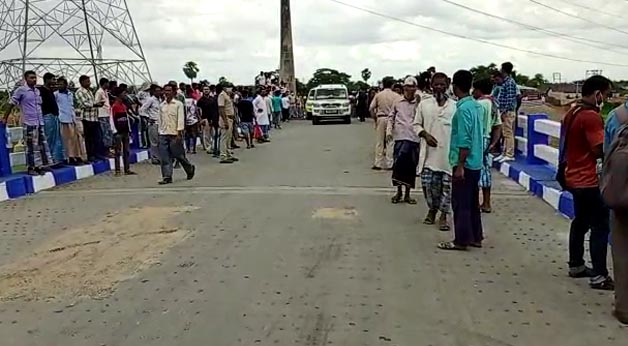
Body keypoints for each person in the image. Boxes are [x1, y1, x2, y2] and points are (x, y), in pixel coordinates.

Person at [561, 75, 614, 290]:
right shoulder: (591, 116)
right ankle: (600, 275)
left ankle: (576, 265)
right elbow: (598, 148)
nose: (607, 98)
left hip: (572, 176)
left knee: (581, 221)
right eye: (607, 94)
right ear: (598, 93)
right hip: (588, 179)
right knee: (600, 226)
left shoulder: (572, 111)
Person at [438, 70, 484, 251]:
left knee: (461, 203)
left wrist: (460, 166)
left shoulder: (462, 110)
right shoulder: (476, 106)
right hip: (477, 161)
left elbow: (464, 141)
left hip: (465, 162)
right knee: (472, 202)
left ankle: (461, 240)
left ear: (454, 86)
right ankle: (476, 236)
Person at [414, 72, 457, 231]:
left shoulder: (454, 106)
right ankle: (432, 209)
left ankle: (444, 216)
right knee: (428, 187)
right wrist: (425, 135)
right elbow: (416, 125)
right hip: (428, 157)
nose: (439, 87)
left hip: (448, 157)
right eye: (436, 84)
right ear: (431, 86)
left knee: (447, 188)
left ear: (448, 85)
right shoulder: (424, 105)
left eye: (442, 84)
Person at [603, 99, 628, 323]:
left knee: (621, 252)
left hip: (622, 197)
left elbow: (607, 155)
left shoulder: (616, 117)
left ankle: (624, 308)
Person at [2, 71, 52, 175]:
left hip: (39, 122)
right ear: (26, 79)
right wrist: (5, 117)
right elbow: (11, 103)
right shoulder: (21, 90)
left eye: (35, 78)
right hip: (29, 123)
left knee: (40, 146)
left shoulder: (37, 91)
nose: (34, 80)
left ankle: (40, 166)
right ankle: (31, 167)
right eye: (31, 78)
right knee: (30, 147)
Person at [387, 77, 420, 205]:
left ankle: (407, 194)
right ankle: (399, 192)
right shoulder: (397, 101)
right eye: (408, 87)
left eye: (413, 87)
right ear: (404, 88)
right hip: (400, 137)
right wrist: (389, 132)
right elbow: (391, 117)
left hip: (414, 138)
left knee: (411, 167)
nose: (410, 89)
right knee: (398, 165)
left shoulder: (419, 102)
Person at [473, 79, 502, 214]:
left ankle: (476, 202)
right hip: (488, 138)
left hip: (478, 139)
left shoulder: (479, 104)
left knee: (475, 170)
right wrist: (494, 143)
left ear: (478, 90)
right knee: (485, 170)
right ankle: (486, 202)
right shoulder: (494, 103)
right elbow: (497, 125)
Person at [157, 84, 195, 184]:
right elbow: (160, 120)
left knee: (179, 155)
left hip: (175, 134)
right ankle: (167, 176)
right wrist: (159, 132)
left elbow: (180, 119)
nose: (167, 92)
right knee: (165, 157)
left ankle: (189, 168)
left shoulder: (178, 104)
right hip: (163, 133)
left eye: (169, 90)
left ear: (174, 92)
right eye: (165, 90)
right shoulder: (162, 105)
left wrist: (179, 133)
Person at [370, 78, 401, 170]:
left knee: (380, 142)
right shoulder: (396, 96)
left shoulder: (378, 95)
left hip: (381, 117)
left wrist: (375, 119)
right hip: (392, 119)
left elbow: (371, 108)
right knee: (390, 142)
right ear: (392, 85)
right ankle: (390, 163)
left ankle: (378, 163)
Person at [54, 77, 83, 165]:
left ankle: (77, 156)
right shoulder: (56, 94)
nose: (59, 86)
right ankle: (69, 157)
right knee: (66, 140)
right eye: (58, 84)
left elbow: (72, 106)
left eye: (61, 84)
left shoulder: (70, 94)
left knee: (75, 139)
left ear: (66, 85)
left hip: (71, 118)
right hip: (63, 119)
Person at [493, 62, 518, 163]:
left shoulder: (510, 82)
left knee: (508, 133)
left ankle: (509, 154)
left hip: (507, 112)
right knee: (504, 133)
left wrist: (504, 111)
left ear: (503, 70)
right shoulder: (506, 82)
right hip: (504, 111)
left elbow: (510, 98)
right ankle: (504, 152)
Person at [75, 75, 104, 162]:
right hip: (87, 119)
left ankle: (96, 154)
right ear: (82, 82)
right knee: (89, 139)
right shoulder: (79, 92)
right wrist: (96, 104)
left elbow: (92, 102)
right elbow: (84, 104)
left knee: (97, 138)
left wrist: (98, 103)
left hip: (94, 118)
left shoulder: (89, 91)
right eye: (87, 81)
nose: (89, 83)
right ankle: (90, 155)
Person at [39, 72, 64, 165]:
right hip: (47, 116)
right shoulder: (41, 91)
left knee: (56, 138)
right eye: (53, 79)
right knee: (48, 138)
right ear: (47, 80)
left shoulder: (50, 91)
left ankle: (55, 158)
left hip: (54, 116)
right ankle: (47, 160)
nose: (54, 81)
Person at [110, 87, 135, 176]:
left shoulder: (123, 106)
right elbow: (112, 119)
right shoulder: (114, 106)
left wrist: (129, 130)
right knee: (117, 151)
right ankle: (117, 170)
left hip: (125, 131)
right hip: (118, 132)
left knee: (126, 151)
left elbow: (127, 119)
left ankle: (127, 169)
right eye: (124, 93)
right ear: (119, 94)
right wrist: (115, 131)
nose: (125, 95)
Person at [139, 84, 162, 164]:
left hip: (161, 123)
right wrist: (148, 118)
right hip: (153, 123)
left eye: (159, 91)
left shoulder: (161, 100)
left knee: (160, 141)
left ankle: (160, 157)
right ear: (152, 91)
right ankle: (155, 158)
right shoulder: (150, 100)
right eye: (157, 91)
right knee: (154, 142)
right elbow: (142, 110)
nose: (159, 92)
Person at [218, 85, 238, 164]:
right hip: (225, 119)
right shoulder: (222, 95)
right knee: (224, 138)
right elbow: (221, 109)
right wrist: (225, 121)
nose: (231, 89)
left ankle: (228, 154)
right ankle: (223, 156)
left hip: (230, 119)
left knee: (229, 138)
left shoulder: (228, 96)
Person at [94, 77, 113, 157]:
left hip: (107, 114)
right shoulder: (99, 92)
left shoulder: (105, 92)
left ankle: (108, 149)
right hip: (102, 115)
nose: (108, 85)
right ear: (104, 83)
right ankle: (105, 151)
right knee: (105, 133)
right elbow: (96, 102)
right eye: (107, 83)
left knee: (109, 132)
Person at [197, 85, 214, 154]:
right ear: (202, 91)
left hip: (213, 118)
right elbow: (198, 110)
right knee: (206, 134)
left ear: (209, 90)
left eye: (207, 89)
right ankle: (208, 147)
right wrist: (200, 120)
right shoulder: (200, 100)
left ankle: (213, 147)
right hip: (205, 118)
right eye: (204, 89)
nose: (206, 90)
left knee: (214, 134)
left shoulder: (212, 99)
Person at [184, 89, 200, 154]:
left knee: (187, 135)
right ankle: (193, 149)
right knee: (194, 135)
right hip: (193, 119)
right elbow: (196, 110)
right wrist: (199, 118)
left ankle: (188, 149)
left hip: (186, 120)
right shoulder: (194, 101)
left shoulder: (183, 101)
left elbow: (183, 111)